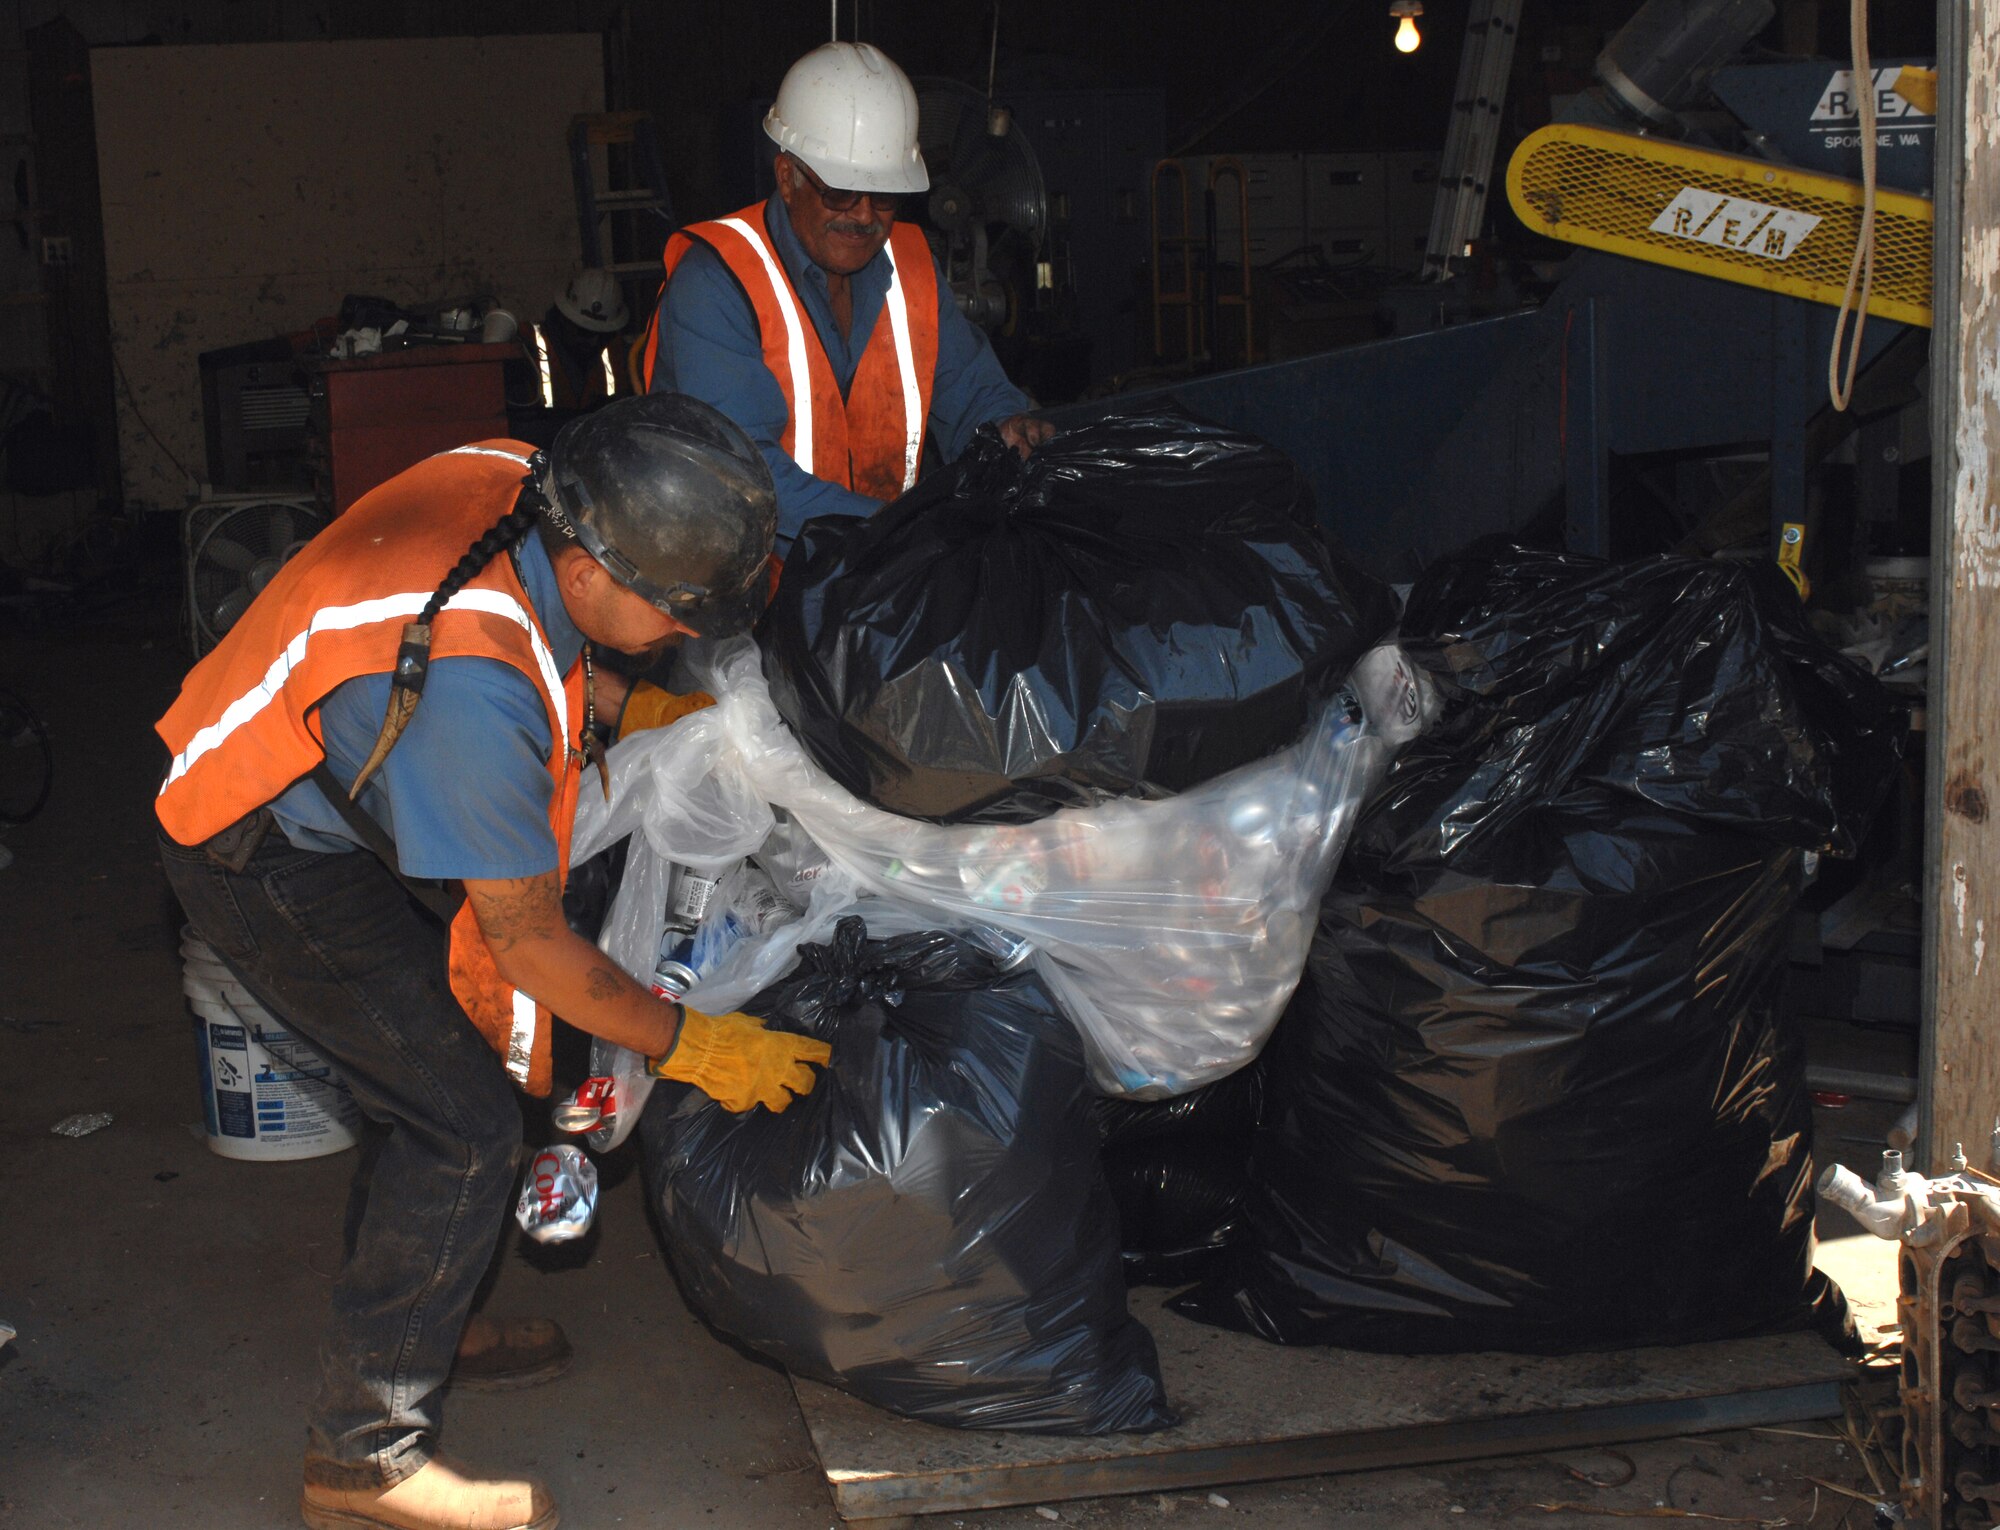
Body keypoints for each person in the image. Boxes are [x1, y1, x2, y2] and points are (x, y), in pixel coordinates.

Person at [154, 392, 833, 1530]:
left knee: (423, 1068)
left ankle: (425, 1310)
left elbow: (551, 641)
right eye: (669, 613)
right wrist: (694, 1041)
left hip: (329, 761)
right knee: (459, 1124)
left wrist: (620, 696)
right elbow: (529, 946)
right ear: (587, 571)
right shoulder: (468, 698)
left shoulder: (533, 477)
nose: (679, 632)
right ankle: (362, 1461)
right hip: (255, 847)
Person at [638, 41, 1054, 549]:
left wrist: (1009, 428)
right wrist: (904, 526)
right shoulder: (715, 284)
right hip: (747, 588)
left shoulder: (913, 266)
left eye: (883, 195)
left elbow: (970, 389)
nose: (862, 216)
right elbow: (746, 477)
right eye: (839, 192)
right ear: (788, 178)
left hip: (879, 573)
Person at [536, 269, 628, 411]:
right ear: (564, 319)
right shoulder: (529, 350)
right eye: (585, 332)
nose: (594, 342)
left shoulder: (619, 355)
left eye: (603, 335)